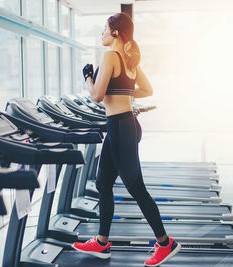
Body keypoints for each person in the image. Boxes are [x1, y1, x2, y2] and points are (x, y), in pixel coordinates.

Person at [72, 13, 181, 266]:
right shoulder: (130, 61)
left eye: (104, 29)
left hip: (120, 126)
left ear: (116, 33)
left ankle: (166, 243)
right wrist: (122, 91)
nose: (101, 34)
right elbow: (146, 89)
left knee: (135, 187)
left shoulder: (110, 56)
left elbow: (97, 96)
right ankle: (101, 242)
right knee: (102, 183)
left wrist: (88, 77)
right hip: (121, 124)